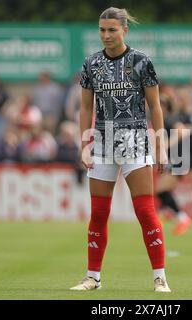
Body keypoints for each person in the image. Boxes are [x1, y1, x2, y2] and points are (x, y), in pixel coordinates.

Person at [70, 7, 171, 292]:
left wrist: (160, 145)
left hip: (135, 141)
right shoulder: (90, 63)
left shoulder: (141, 61)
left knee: (145, 211)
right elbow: (86, 107)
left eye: (112, 30)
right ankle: (93, 277)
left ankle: (159, 277)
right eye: (102, 30)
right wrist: (84, 144)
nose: (106, 35)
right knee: (98, 214)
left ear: (124, 30)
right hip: (102, 143)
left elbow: (155, 107)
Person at [156, 91, 192, 236]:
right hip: (179, 156)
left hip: (187, 155)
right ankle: (177, 216)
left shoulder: (173, 118)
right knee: (162, 190)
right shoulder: (173, 117)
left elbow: (183, 132)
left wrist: (164, 146)